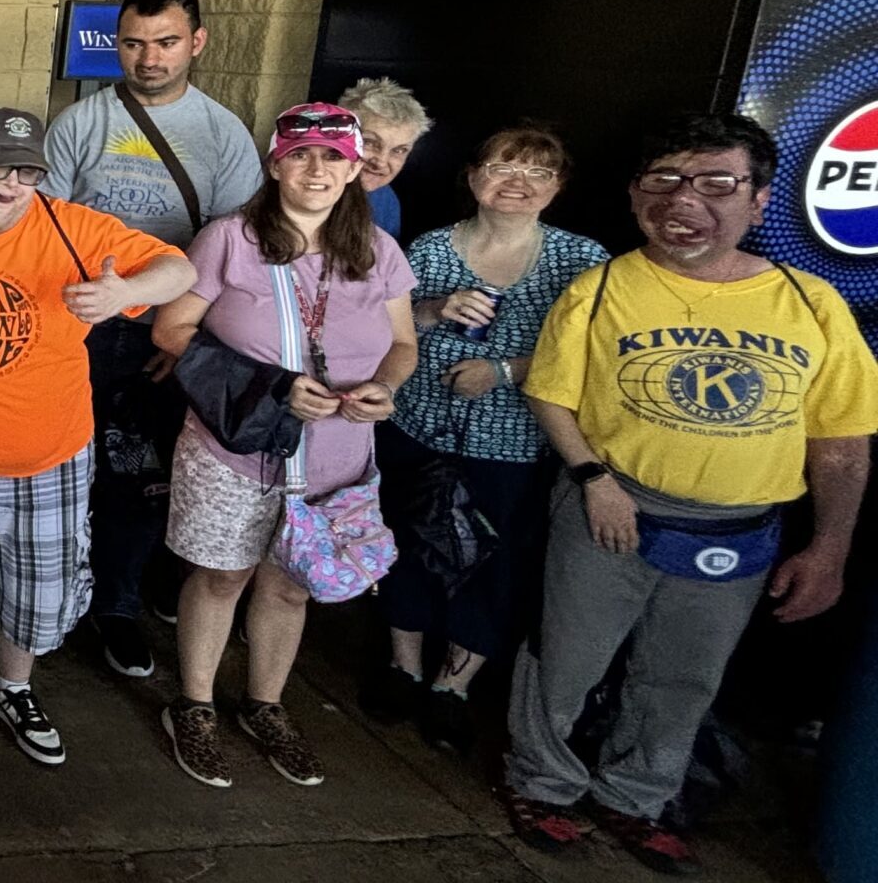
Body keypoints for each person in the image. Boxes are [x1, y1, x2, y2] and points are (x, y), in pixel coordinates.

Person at [504, 113, 874, 873]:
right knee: (565, 659)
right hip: (609, 506)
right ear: (638, 193)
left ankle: (636, 797)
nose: (684, 200)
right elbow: (551, 394)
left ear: (760, 201)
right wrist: (592, 479)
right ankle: (542, 782)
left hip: (738, 531)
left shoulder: (813, 305)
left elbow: (839, 443)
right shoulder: (601, 288)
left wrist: (830, 547)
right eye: (665, 180)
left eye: (716, 183)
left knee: (684, 675)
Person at [0, 108, 195, 767]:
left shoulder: (71, 228)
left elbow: (180, 270)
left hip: (51, 452)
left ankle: (14, 688)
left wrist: (126, 291)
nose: (13, 181)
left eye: (27, 170)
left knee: (37, 586)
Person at [149, 103, 417, 790]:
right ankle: (197, 704)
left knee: (290, 586)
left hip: (335, 459)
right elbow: (172, 330)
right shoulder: (229, 240)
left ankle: (264, 705)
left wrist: (385, 387)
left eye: (334, 156)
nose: (317, 169)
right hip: (235, 452)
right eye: (301, 154)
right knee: (223, 577)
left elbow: (404, 344)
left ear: (357, 169)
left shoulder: (379, 252)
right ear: (275, 164)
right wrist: (270, 387)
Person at [39, 0, 264, 680]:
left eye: (165, 42)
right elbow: (44, 225)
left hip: (168, 331)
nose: (149, 57)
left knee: (146, 473)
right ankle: (58, 599)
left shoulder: (223, 133)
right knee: (71, 467)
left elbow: (233, 251)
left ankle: (120, 604)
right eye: (133, 43)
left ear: (196, 42)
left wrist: (188, 338)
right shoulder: (81, 122)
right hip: (81, 325)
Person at [365, 125, 608, 753]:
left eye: (538, 173)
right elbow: (385, 322)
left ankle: (455, 686)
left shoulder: (580, 260)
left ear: (557, 188)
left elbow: (594, 352)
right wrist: (435, 307)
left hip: (515, 442)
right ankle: (404, 666)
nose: (518, 183)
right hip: (417, 425)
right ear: (473, 177)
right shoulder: (428, 249)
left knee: (494, 563)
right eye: (503, 166)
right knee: (404, 544)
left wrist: (502, 371)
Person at [338, 77, 431, 240]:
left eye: (399, 150)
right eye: (369, 142)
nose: (380, 162)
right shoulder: (306, 189)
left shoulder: (387, 202)